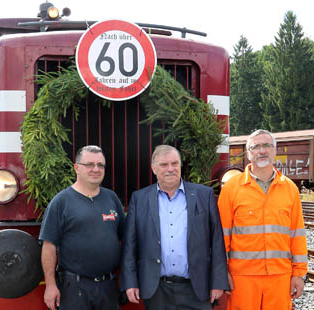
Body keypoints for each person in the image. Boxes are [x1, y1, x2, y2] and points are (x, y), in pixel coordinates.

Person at [120, 144, 229, 310]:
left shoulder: (203, 195)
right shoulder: (139, 199)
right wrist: (130, 282)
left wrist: (218, 282)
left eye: (174, 163)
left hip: (196, 288)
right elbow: (130, 245)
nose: (170, 169)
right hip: (157, 290)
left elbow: (216, 241)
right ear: (153, 168)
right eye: (164, 165)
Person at [218, 129, 308, 310]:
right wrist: (221, 272)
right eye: (256, 146)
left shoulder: (290, 189)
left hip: (279, 277)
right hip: (242, 278)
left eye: (267, 145)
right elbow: (221, 236)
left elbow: (297, 235)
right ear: (248, 153)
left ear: (275, 151)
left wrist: (298, 274)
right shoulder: (231, 189)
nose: (262, 150)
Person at [39, 145, 125, 310]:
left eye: (100, 165)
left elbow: (124, 239)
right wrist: (50, 286)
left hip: (108, 286)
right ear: (76, 168)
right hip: (74, 288)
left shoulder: (111, 198)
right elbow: (49, 246)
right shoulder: (61, 202)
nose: (96, 169)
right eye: (89, 165)